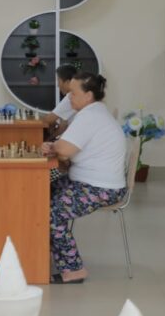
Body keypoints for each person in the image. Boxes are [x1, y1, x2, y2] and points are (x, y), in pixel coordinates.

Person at [42, 72, 126, 284]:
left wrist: (55, 147)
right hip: (87, 181)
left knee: (51, 212)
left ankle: (74, 269)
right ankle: (46, 252)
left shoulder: (90, 116)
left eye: (73, 93)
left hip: (101, 188)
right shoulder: (92, 112)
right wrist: (57, 148)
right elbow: (64, 148)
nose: (69, 97)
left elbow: (64, 150)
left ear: (88, 96)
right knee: (41, 190)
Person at [41, 64, 79, 135]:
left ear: (68, 82)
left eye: (59, 81)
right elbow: (64, 124)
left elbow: (48, 119)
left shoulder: (71, 97)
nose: (58, 85)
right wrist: (51, 138)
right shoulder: (78, 93)